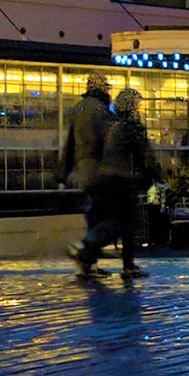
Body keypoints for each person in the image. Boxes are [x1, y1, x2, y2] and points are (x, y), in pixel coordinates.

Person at [94, 88, 159, 280]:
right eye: (137, 102)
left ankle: (93, 254)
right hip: (126, 181)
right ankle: (124, 265)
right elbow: (143, 154)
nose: (139, 106)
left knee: (118, 223)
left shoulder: (110, 125)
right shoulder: (131, 125)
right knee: (125, 224)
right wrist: (153, 174)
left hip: (109, 180)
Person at [63, 72, 114, 277]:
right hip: (98, 168)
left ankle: (89, 264)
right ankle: (83, 251)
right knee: (106, 216)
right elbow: (107, 140)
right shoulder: (100, 110)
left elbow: (69, 143)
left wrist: (65, 170)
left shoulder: (78, 109)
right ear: (101, 88)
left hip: (82, 168)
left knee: (94, 214)